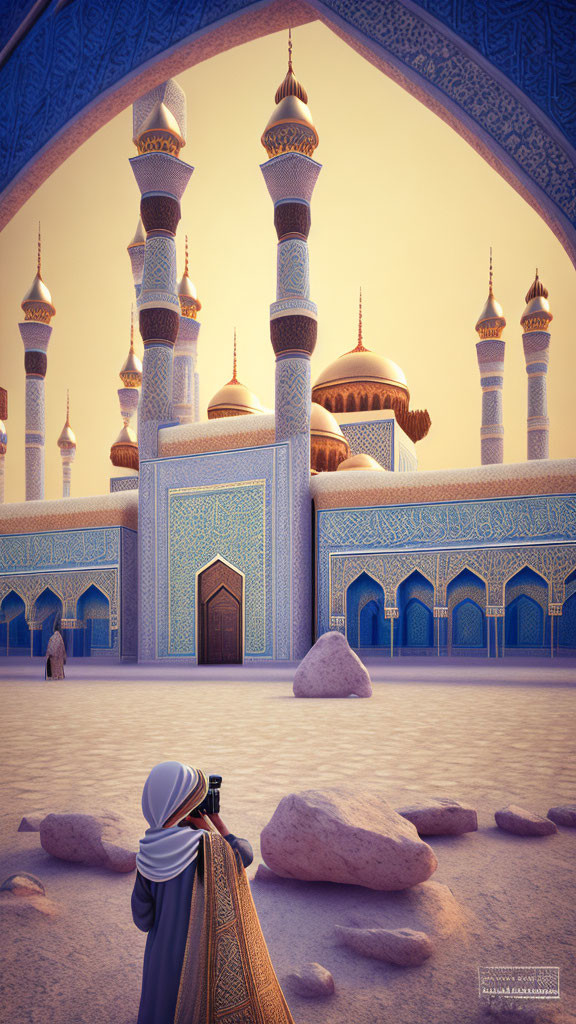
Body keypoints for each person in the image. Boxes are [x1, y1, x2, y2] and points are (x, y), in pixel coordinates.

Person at [131, 761, 295, 1024]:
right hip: (200, 951)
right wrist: (214, 821)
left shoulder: (147, 852)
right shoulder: (207, 844)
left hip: (160, 955)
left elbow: (142, 918)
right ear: (185, 807)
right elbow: (243, 855)